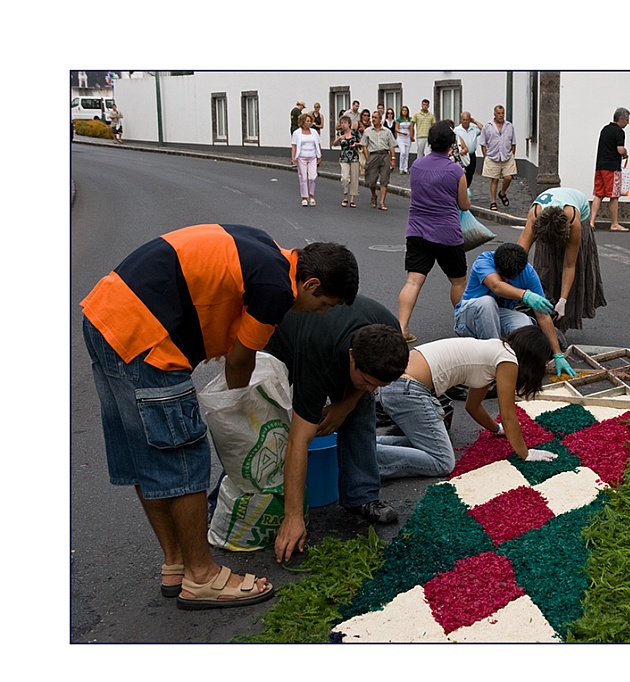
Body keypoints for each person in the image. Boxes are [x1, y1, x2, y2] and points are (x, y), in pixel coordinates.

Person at [80, 225, 359, 610]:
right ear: (310, 284)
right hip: (147, 340)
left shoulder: (267, 250)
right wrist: (240, 408)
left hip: (107, 317)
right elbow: (240, 360)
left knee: (146, 454)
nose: (322, 313)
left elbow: (216, 296)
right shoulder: (277, 289)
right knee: (183, 456)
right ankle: (202, 576)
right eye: (325, 304)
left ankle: (176, 563)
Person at [265, 297, 410, 562]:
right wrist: (293, 517)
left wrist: (346, 405)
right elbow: (299, 439)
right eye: (367, 381)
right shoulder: (317, 353)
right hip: (282, 344)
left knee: (362, 406)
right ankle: (250, 501)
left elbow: (367, 385)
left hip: (336, 347)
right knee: (265, 420)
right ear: (352, 357)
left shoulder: (390, 336)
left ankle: (361, 495)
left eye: (379, 384)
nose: (372, 389)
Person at [377, 326, 559, 479]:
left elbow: (472, 406)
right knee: (442, 462)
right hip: (408, 389)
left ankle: (370, 444)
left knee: (430, 444)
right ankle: (367, 458)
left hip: (395, 384)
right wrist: (525, 453)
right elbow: (508, 414)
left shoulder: (495, 351)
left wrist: (497, 429)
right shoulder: (508, 360)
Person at [396, 121, 471, 343]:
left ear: (429, 142)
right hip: (447, 233)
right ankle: (463, 327)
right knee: (458, 282)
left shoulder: (417, 166)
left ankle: (402, 328)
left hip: (417, 231)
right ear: (451, 144)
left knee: (413, 282)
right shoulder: (456, 170)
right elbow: (464, 205)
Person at [454, 242, 577, 378]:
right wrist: (525, 294)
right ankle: (494, 360)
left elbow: (543, 316)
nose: (506, 281)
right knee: (487, 303)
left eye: (510, 279)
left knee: (524, 322)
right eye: (503, 277)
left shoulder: (528, 273)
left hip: (496, 320)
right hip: (468, 320)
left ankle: (512, 358)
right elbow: (496, 286)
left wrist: (558, 354)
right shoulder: (484, 261)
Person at [516, 186, 607, 331]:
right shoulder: (534, 215)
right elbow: (518, 256)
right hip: (547, 216)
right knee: (545, 269)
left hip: (577, 213)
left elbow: (569, 265)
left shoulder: (573, 220)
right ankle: (542, 317)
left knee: (570, 272)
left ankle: (561, 321)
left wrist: (562, 301)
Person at [590, 107, 630, 232]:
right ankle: (614, 224)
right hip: (612, 168)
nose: (628, 123)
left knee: (598, 194)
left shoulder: (605, 129)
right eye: (627, 120)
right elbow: (620, 149)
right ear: (621, 119)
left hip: (600, 166)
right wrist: (625, 153)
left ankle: (591, 222)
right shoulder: (619, 132)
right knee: (614, 196)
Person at [480, 104, 517, 211]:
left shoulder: (509, 126)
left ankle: (502, 193)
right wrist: (485, 156)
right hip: (493, 156)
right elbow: (483, 143)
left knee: (508, 177)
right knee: (494, 179)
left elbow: (513, 142)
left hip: (507, 156)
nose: (501, 115)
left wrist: (512, 155)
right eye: (499, 113)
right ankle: (493, 202)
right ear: (494, 114)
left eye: (502, 113)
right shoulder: (488, 126)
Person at [361, 110, 397, 210]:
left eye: (375, 117)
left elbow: (392, 146)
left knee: (384, 179)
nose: (373, 119)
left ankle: (382, 202)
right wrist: (367, 157)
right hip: (373, 155)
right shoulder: (367, 131)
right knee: (371, 181)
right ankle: (373, 195)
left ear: (381, 119)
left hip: (385, 155)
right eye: (372, 117)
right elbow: (364, 145)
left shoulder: (387, 132)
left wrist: (393, 159)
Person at [291, 113, 323, 206]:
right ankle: (304, 197)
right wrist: (293, 158)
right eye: (307, 121)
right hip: (302, 157)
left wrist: (319, 155)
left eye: (310, 121)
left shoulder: (314, 132)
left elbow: (318, 144)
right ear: (303, 122)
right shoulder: (297, 133)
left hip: (312, 156)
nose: (309, 123)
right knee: (303, 177)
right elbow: (294, 146)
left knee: (312, 177)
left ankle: (311, 195)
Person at [337, 114, 362, 208]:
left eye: (345, 123)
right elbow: (334, 143)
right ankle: (345, 196)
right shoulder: (340, 134)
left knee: (354, 178)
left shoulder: (355, 133)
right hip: (344, 158)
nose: (343, 125)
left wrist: (356, 144)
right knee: (345, 178)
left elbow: (362, 142)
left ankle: (352, 199)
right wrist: (339, 139)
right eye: (341, 123)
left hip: (354, 157)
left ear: (349, 124)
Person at [454, 111, 483, 187]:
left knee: (470, 173)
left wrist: (475, 121)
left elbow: (483, 129)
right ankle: (461, 189)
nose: (465, 121)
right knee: (461, 174)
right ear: (461, 119)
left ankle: (467, 188)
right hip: (462, 155)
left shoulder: (474, 129)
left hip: (471, 154)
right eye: (464, 119)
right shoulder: (457, 130)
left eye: (467, 119)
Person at [396, 105, 414, 174]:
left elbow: (411, 128)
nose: (404, 112)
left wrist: (412, 136)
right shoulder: (398, 119)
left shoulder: (410, 119)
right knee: (402, 152)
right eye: (403, 110)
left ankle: (405, 168)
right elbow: (396, 128)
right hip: (401, 137)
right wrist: (402, 132)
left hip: (408, 137)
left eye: (406, 110)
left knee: (407, 153)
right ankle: (401, 167)